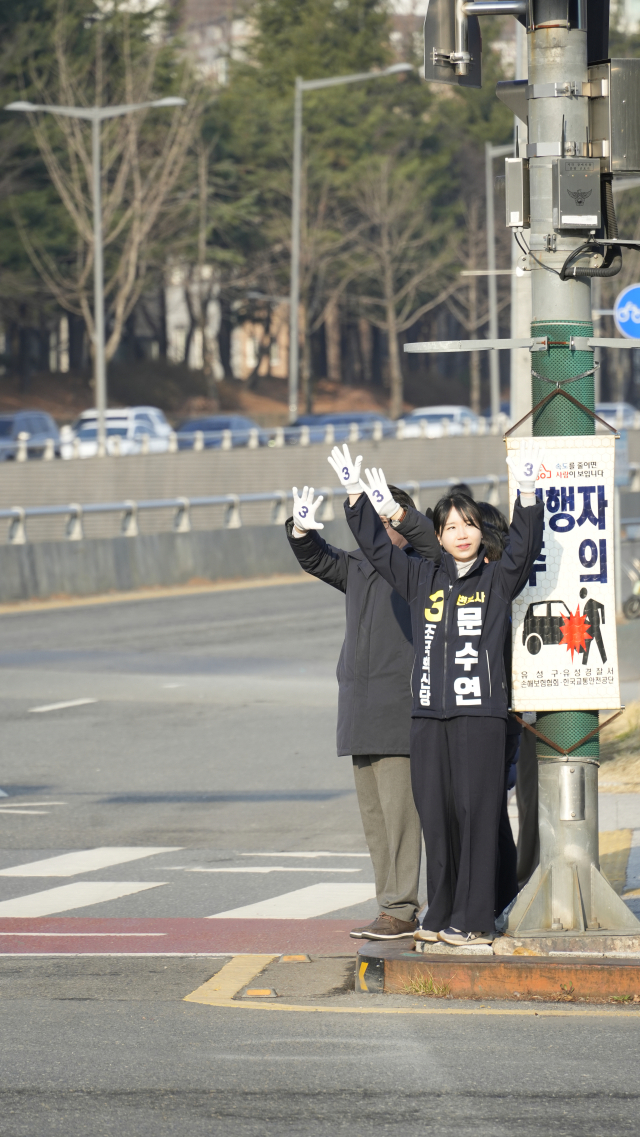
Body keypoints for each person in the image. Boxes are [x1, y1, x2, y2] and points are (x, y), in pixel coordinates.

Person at [334, 443, 544, 947]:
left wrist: (527, 495)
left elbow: (524, 548)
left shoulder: (497, 580)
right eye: (450, 527)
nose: (461, 533)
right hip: (429, 717)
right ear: (440, 537)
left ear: (479, 533)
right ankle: (442, 912)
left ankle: (475, 920)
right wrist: (355, 498)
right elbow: (378, 550)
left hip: (480, 717)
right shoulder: (422, 578)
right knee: (438, 818)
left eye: (468, 525)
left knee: (476, 817)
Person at [285, 470, 440, 941]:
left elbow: (431, 543)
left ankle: (402, 909)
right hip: (360, 708)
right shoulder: (357, 565)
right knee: (375, 820)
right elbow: (318, 559)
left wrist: (403, 517)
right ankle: (389, 906)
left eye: (383, 517)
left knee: (401, 818)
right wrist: (301, 530)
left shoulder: (421, 566)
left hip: (399, 707)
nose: (373, 526)